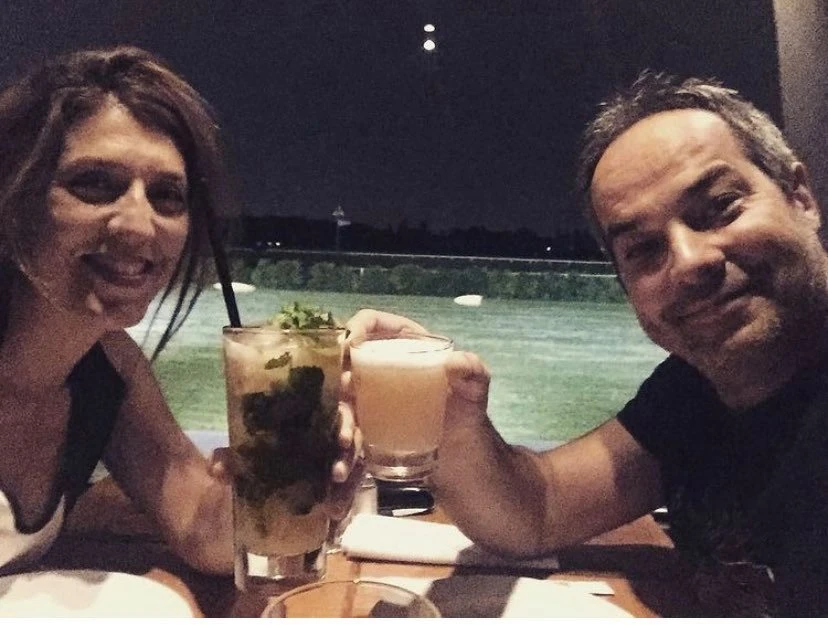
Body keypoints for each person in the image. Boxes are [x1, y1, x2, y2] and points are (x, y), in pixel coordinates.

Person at [342, 72, 828, 616]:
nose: (690, 262)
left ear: (801, 197)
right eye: (643, 249)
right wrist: (450, 422)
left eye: (719, 207)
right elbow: (537, 508)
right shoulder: (695, 391)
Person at [0, 46, 358, 575]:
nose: (139, 225)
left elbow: (200, 528)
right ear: (14, 199)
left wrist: (290, 477)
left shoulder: (106, 369)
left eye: (167, 195)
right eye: (94, 183)